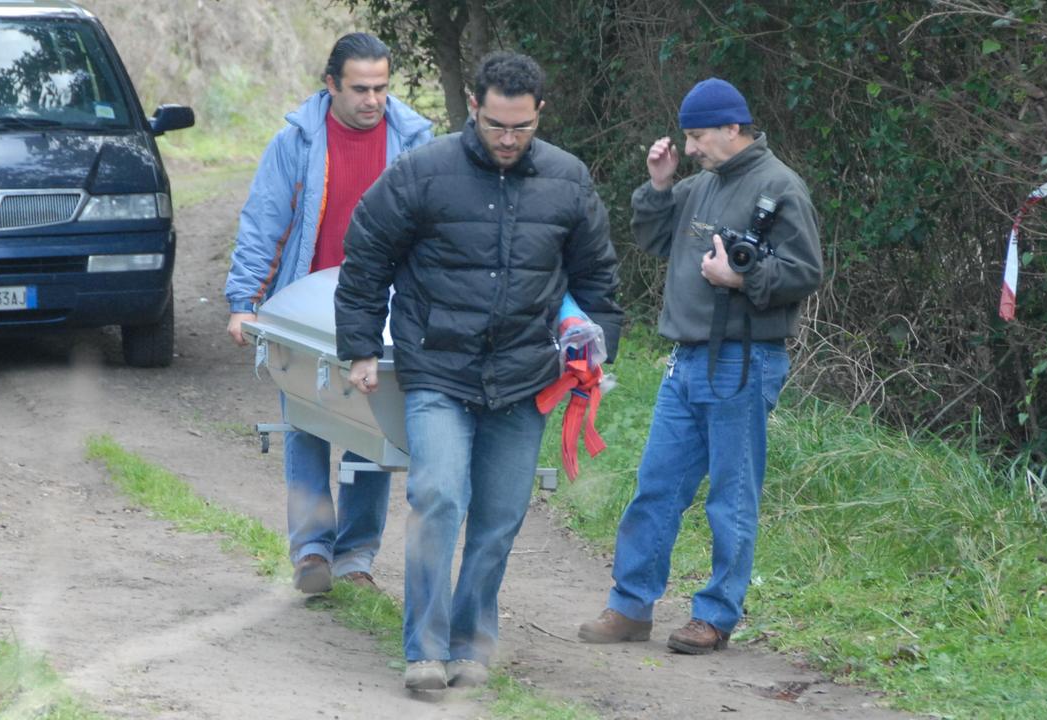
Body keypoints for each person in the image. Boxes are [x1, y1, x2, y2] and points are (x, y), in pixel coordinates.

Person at [335, 52, 622, 691]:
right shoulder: (423, 172)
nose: (508, 140)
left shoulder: (569, 182)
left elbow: (598, 280)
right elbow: (366, 255)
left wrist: (597, 354)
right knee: (438, 497)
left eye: (520, 127)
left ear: (540, 115)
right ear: (474, 108)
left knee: (498, 518)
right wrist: (358, 346)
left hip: (525, 380)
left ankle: (469, 643)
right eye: (496, 125)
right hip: (438, 370)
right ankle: (425, 650)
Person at [577, 77, 821, 654]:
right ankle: (630, 607)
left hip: (745, 362)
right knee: (656, 488)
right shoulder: (701, 186)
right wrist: (659, 187)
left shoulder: (782, 187)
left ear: (733, 128)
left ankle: (715, 616)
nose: (690, 148)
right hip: (685, 362)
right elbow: (656, 239)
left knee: (731, 496)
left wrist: (743, 278)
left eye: (698, 136)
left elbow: (806, 272)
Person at [224, 33, 433, 595]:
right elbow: (264, 222)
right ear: (331, 85)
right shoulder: (296, 142)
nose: (373, 100)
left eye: (382, 88)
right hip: (306, 306)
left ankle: (356, 556)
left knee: (374, 429)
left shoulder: (414, 143)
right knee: (306, 427)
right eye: (360, 88)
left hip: (385, 309)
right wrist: (244, 303)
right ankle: (312, 552)